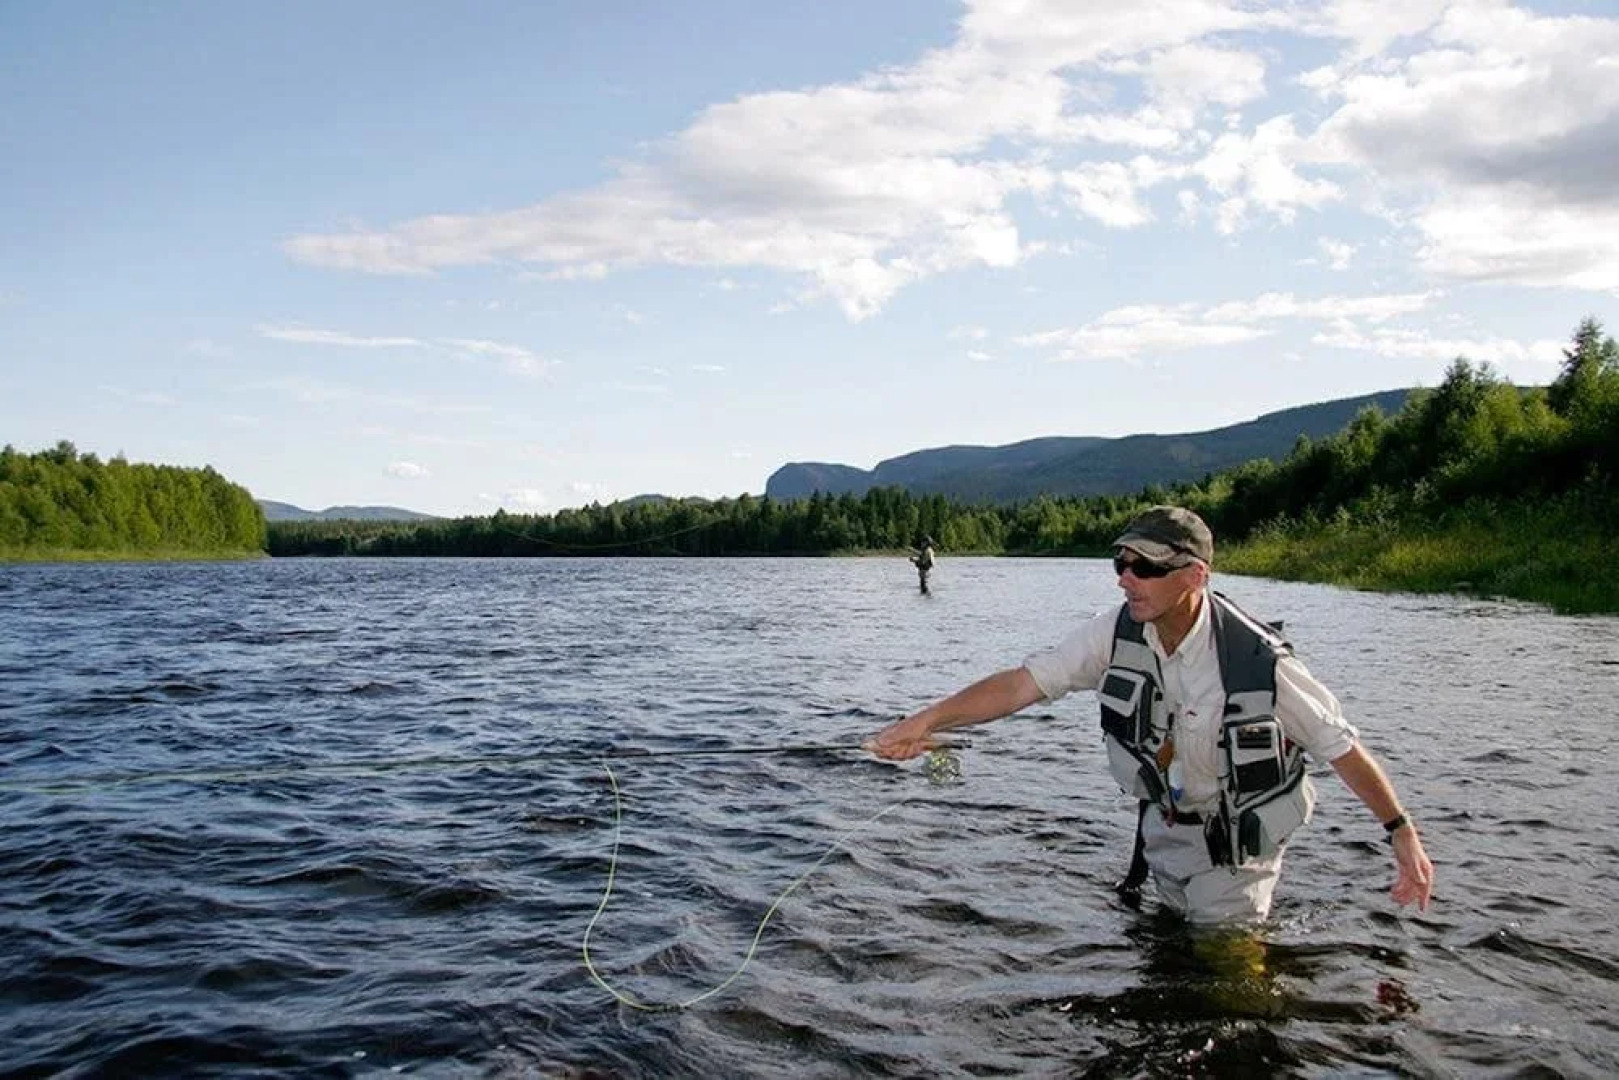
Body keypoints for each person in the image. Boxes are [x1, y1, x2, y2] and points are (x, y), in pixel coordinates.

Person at [866, 505, 1433, 924]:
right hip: (1162, 832)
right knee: (1173, 954)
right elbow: (1020, 686)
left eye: (1145, 567)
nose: (1125, 578)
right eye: (1121, 563)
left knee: (1224, 971)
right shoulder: (1114, 632)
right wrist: (926, 721)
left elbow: (1342, 749)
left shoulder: (1259, 664)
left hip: (1239, 846)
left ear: (1195, 575)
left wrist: (1400, 831)